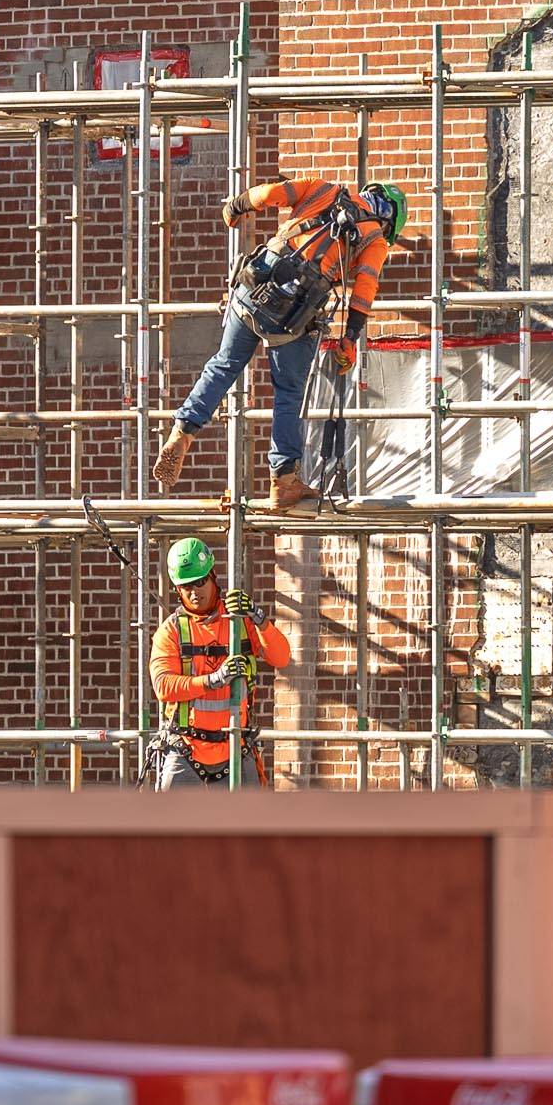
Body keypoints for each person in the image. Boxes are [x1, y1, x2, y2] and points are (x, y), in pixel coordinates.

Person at [151, 176, 407, 511]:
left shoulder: (324, 189)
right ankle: (283, 480)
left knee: (223, 364)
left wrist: (236, 206)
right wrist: (349, 339)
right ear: (389, 221)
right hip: (292, 317)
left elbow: (270, 194)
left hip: (250, 291)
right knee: (288, 392)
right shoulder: (374, 238)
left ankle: (181, 432)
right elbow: (364, 292)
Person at [149, 537, 291, 789]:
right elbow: (163, 686)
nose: (195, 592)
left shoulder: (239, 622)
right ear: (177, 589)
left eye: (200, 582)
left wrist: (257, 617)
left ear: (213, 576)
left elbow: (280, 657)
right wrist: (214, 679)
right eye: (186, 586)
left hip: (236, 747)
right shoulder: (171, 631)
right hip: (186, 750)